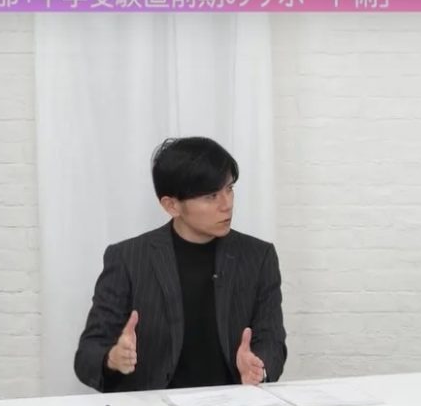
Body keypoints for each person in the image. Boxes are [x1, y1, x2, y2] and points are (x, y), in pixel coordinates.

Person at [74, 136, 287, 392]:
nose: (227, 204)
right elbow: (88, 354)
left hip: (231, 404)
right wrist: (112, 359)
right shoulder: (128, 258)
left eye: (229, 189)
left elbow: (272, 339)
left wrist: (259, 368)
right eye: (211, 195)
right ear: (172, 205)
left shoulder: (258, 256)